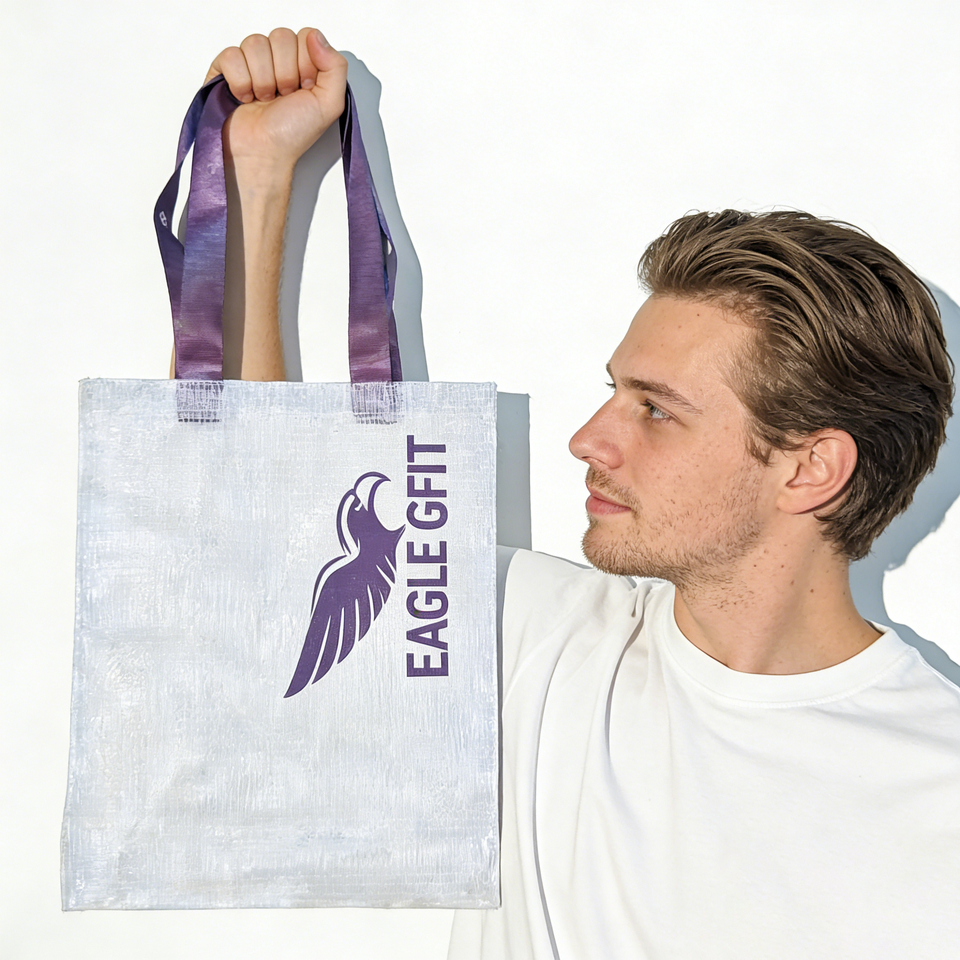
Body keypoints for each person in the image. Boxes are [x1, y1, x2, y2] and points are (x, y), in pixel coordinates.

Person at [198, 28, 960, 959]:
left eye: (657, 410)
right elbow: (267, 510)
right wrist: (259, 180)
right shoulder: (530, 640)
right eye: (614, 391)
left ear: (810, 468)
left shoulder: (940, 791)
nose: (588, 440)